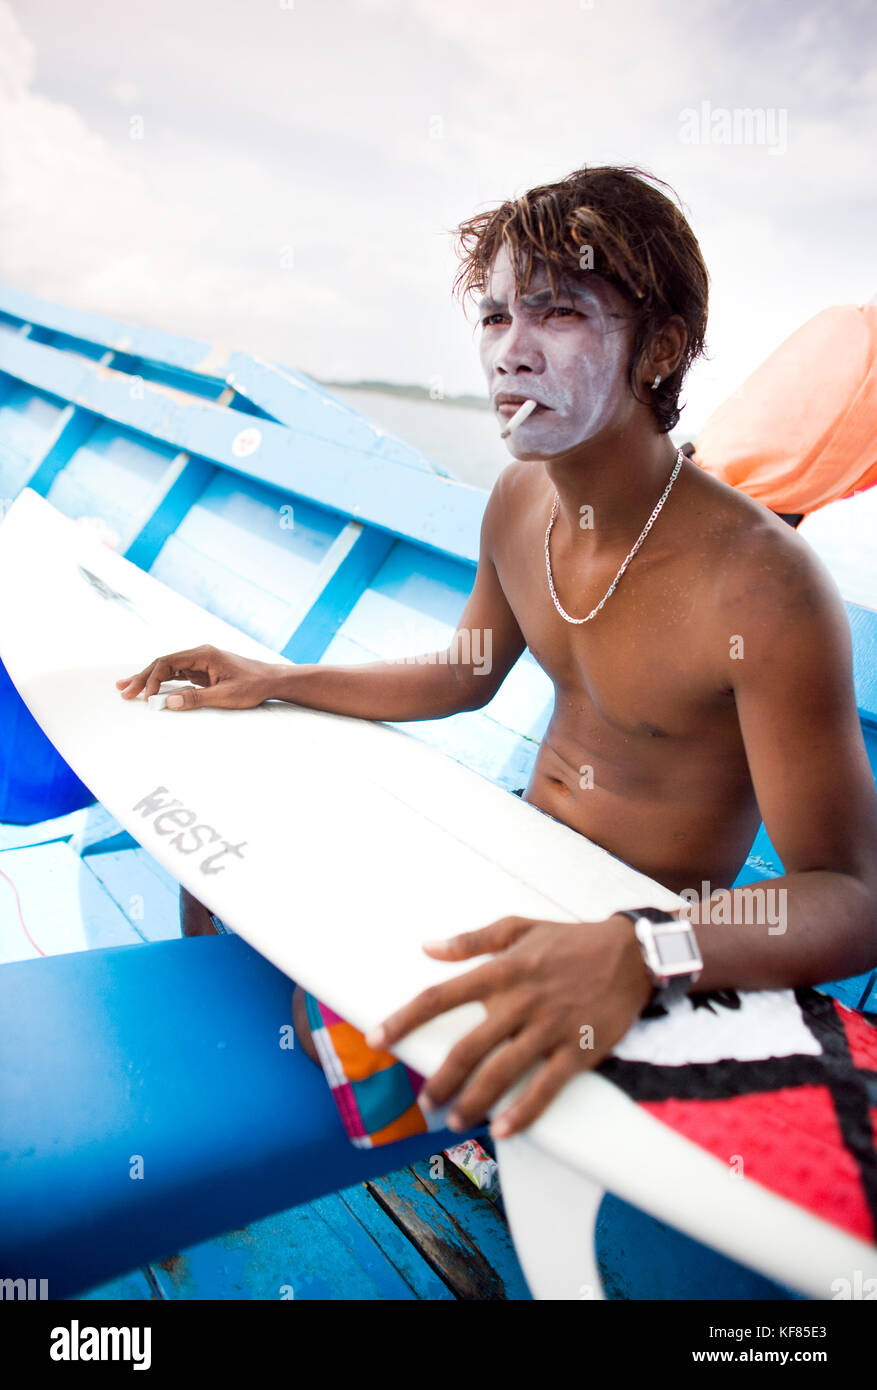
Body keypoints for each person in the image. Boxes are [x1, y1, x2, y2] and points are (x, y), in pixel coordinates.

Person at [117, 165, 877, 1150]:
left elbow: (849, 899)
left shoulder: (764, 588)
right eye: (494, 317)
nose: (510, 354)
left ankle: (346, 1139)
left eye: (558, 315)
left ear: (661, 348)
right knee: (223, 853)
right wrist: (276, 676)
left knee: (313, 1050)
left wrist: (650, 949)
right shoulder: (520, 502)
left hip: (631, 937)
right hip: (510, 849)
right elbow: (463, 673)